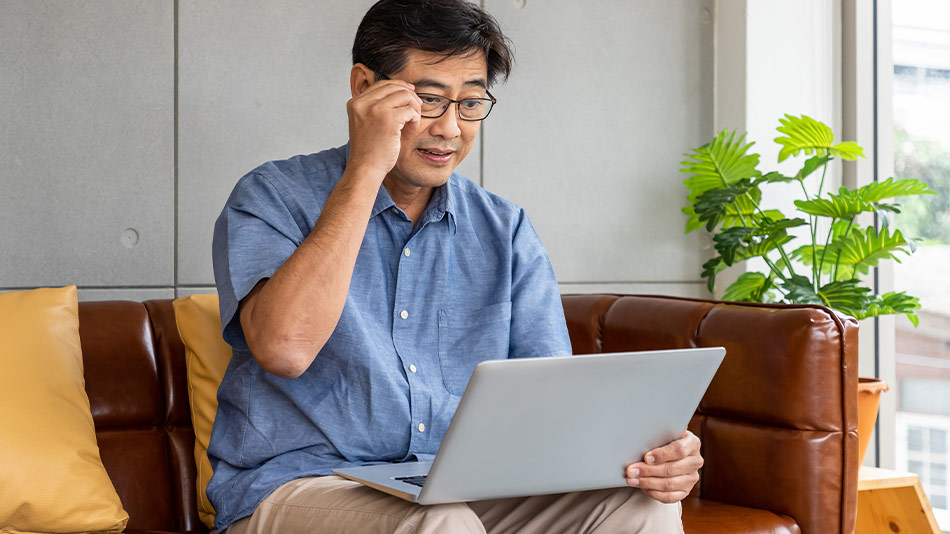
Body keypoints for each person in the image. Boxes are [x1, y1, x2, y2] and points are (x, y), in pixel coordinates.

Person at [209, 1, 702, 532]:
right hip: (302, 485)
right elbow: (285, 349)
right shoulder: (274, 195)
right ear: (363, 87)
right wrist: (367, 167)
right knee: (440, 523)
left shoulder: (504, 228)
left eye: (470, 104)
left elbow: (548, 402)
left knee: (638, 504)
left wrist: (651, 452)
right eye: (428, 99)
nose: (449, 128)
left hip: (460, 487)